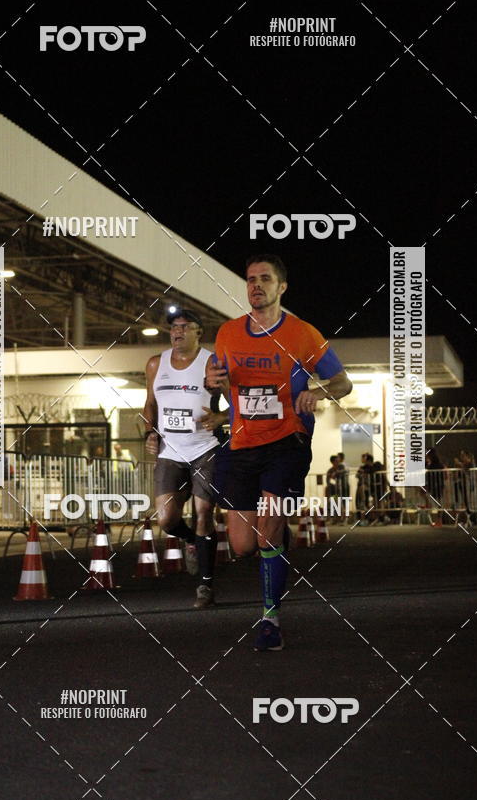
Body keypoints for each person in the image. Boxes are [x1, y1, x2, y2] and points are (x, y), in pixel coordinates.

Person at [206, 254, 352, 651]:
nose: (256, 285)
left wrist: (315, 392)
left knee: (267, 528)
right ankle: (277, 534)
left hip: (288, 441)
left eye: (265, 279)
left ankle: (270, 619)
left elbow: (343, 383)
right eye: (251, 279)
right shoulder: (227, 333)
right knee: (242, 546)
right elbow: (223, 387)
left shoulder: (303, 334)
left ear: (281, 287)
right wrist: (213, 382)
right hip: (241, 444)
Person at [142, 309, 228, 608]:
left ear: (198, 332)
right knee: (166, 520)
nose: (177, 332)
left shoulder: (212, 363)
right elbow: (149, 404)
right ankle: (192, 541)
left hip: (205, 448)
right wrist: (149, 434)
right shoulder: (156, 364)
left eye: (184, 327)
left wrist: (220, 417)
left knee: (204, 513)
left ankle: (205, 586)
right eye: (173, 328)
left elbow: (237, 402)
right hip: (170, 451)